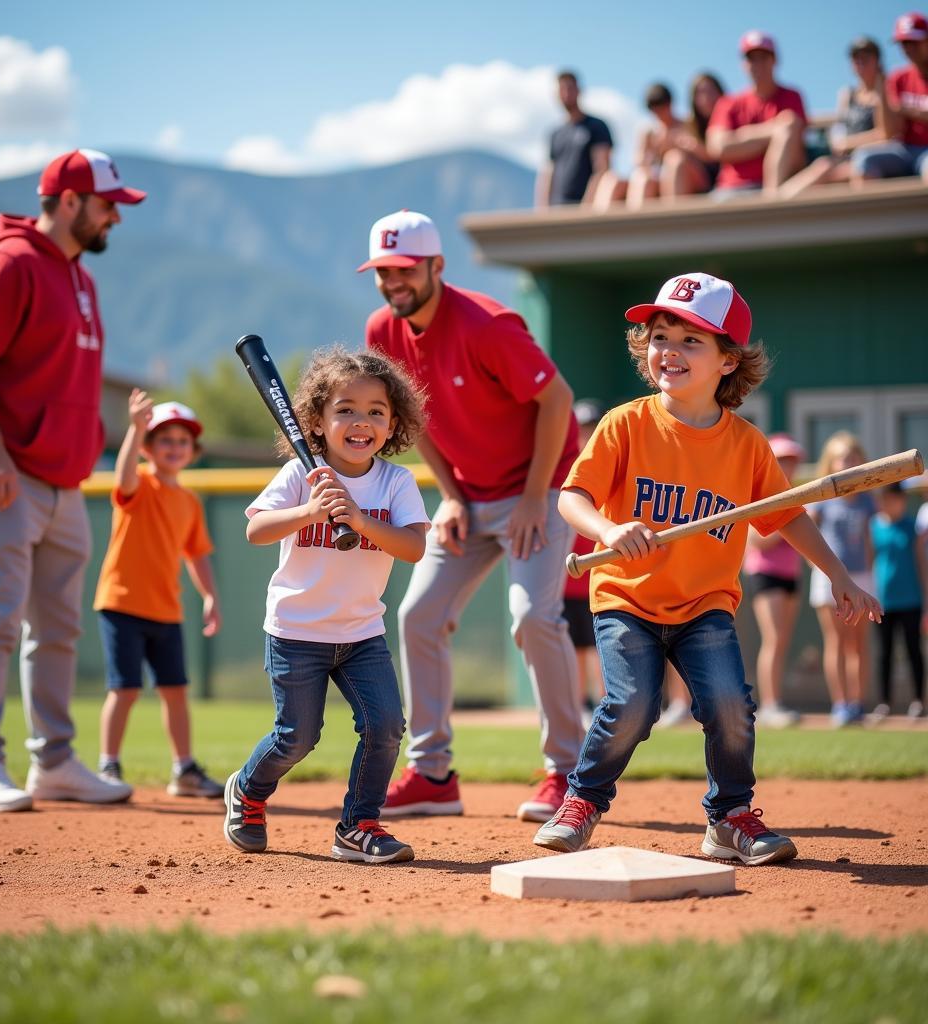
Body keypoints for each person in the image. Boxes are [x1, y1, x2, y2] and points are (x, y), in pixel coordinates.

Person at [532, 272, 881, 865]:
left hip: (705, 605)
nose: (669, 350)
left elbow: (788, 517)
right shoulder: (626, 423)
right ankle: (583, 799)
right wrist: (610, 530)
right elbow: (572, 498)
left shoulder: (746, 445)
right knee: (633, 704)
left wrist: (838, 575)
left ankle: (730, 819)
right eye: (661, 335)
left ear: (728, 361)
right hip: (626, 598)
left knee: (728, 705)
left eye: (692, 340)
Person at [359, 209, 584, 824]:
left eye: (404, 269)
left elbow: (557, 398)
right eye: (382, 270)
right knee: (417, 615)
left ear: (436, 266)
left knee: (533, 617)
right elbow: (409, 419)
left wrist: (538, 496)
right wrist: (451, 495)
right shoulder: (384, 329)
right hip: (468, 497)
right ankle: (432, 774)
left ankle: (569, 773)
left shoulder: (486, 323)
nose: (392, 281)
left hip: (537, 490)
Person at [0, 149, 146, 813]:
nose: (115, 214)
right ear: (67, 201)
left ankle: (54, 761)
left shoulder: (81, 279)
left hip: (61, 483)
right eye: (107, 203)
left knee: (57, 629)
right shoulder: (9, 264)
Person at [224, 347, 430, 864]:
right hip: (297, 631)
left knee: (385, 727)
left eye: (375, 412)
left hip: (361, 633)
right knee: (297, 737)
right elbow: (255, 529)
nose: (361, 421)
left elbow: (413, 546)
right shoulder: (301, 475)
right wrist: (310, 510)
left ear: (392, 424)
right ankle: (247, 791)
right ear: (316, 420)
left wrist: (360, 520)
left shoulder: (395, 482)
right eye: (345, 409)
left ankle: (357, 825)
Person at [94, 392, 223, 797]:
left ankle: (184, 769)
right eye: (164, 439)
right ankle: (108, 766)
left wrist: (210, 597)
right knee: (125, 688)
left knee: (175, 691)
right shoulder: (140, 485)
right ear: (148, 447)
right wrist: (134, 427)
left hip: (166, 609)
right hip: (122, 602)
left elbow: (197, 555)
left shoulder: (189, 501)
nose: (174, 447)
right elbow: (124, 475)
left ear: (193, 452)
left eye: (183, 441)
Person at [809, 431, 877, 727]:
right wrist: (821, 569)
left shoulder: (867, 500)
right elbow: (807, 539)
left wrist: (870, 574)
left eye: (853, 456)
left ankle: (857, 704)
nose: (848, 462)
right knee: (836, 640)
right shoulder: (822, 499)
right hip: (828, 578)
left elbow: (870, 540)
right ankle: (840, 704)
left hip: (861, 575)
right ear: (831, 463)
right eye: (841, 457)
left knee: (859, 643)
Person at [743, 433, 807, 727]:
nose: (787, 465)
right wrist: (787, 524)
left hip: (790, 573)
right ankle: (770, 704)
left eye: (791, 460)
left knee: (783, 641)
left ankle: (775, 701)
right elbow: (757, 540)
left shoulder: (795, 493)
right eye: (782, 460)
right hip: (764, 573)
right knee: (774, 638)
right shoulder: (757, 492)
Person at [779, 36, 887, 199]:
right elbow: (839, 129)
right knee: (821, 167)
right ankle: (775, 202)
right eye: (856, 58)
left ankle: (775, 205)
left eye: (866, 57)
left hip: (872, 158)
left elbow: (887, 134)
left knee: (835, 175)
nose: (860, 63)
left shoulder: (885, 92)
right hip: (843, 158)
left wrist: (848, 143)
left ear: (877, 61)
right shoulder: (847, 94)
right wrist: (838, 143)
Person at [706, 30, 808, 197]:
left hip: (778, 192)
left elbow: (795, 146)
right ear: (744, 64)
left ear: (774, 60)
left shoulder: (792, 97)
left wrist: (739, 139)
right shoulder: (728, 103)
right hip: (729, 192)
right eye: (751, 59)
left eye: (763, 57)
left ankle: (770, 204)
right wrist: (773, 132)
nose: (757, 64)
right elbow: (718, 148)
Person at [869, 482, 926, 720]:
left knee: (914, 650)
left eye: (896, 498)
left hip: (911, 599)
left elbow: (922, 563)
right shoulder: (873, 526)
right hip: (883, 601)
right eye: (886, 498)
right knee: (885, 652)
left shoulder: (914, 526)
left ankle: (918, 701)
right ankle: (884, 702)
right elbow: (869, 561)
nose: (891, 503)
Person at [852, 12, 928, 186]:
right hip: (903, 149)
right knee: (864, 159)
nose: (908, 49)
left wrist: (905, 109)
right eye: (903, 43)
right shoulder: (897, 78)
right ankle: (868, 213)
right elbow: (890, 131)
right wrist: (881, 86)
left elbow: (901, 109)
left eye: (913, 42)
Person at [564, 401, 605, 721]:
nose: (587, 434)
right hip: (569, 577)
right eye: (583, 428)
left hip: (602, 575)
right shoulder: (565, 470)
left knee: (602, 649)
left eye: (593, 427)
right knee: (576, 648)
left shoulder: (610, 463)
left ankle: (607, 706)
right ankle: (579, 706)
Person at [592, 83, 683, 212]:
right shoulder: (648, 132)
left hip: (670, 182)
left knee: (644, 181)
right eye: (654, 110)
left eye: (661, 108)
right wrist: (655, 149)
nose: (658, 114)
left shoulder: (684, 126)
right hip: (650, 177)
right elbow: (639, 162)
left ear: (669, 104)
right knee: (611, 180)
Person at [536, 69, 615, 207]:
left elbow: (602, 169)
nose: (566, 94)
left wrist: (588, 205)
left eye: (570, 88)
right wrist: (542, 208)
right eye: (562, 89)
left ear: (579, 90)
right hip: (558, 208)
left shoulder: (596, 126)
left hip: (585, 208)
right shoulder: (555, 133)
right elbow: (548, 173)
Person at [660, 72, 726, 200]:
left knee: (676, 160)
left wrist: (694, 147)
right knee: (674, 158)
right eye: (700, 93)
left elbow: (720, 153)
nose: (706, 98)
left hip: (722, 177)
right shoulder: (689, 125)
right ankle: (670, 217)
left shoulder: (732, 117)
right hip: (698, 179)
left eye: (711, 91)